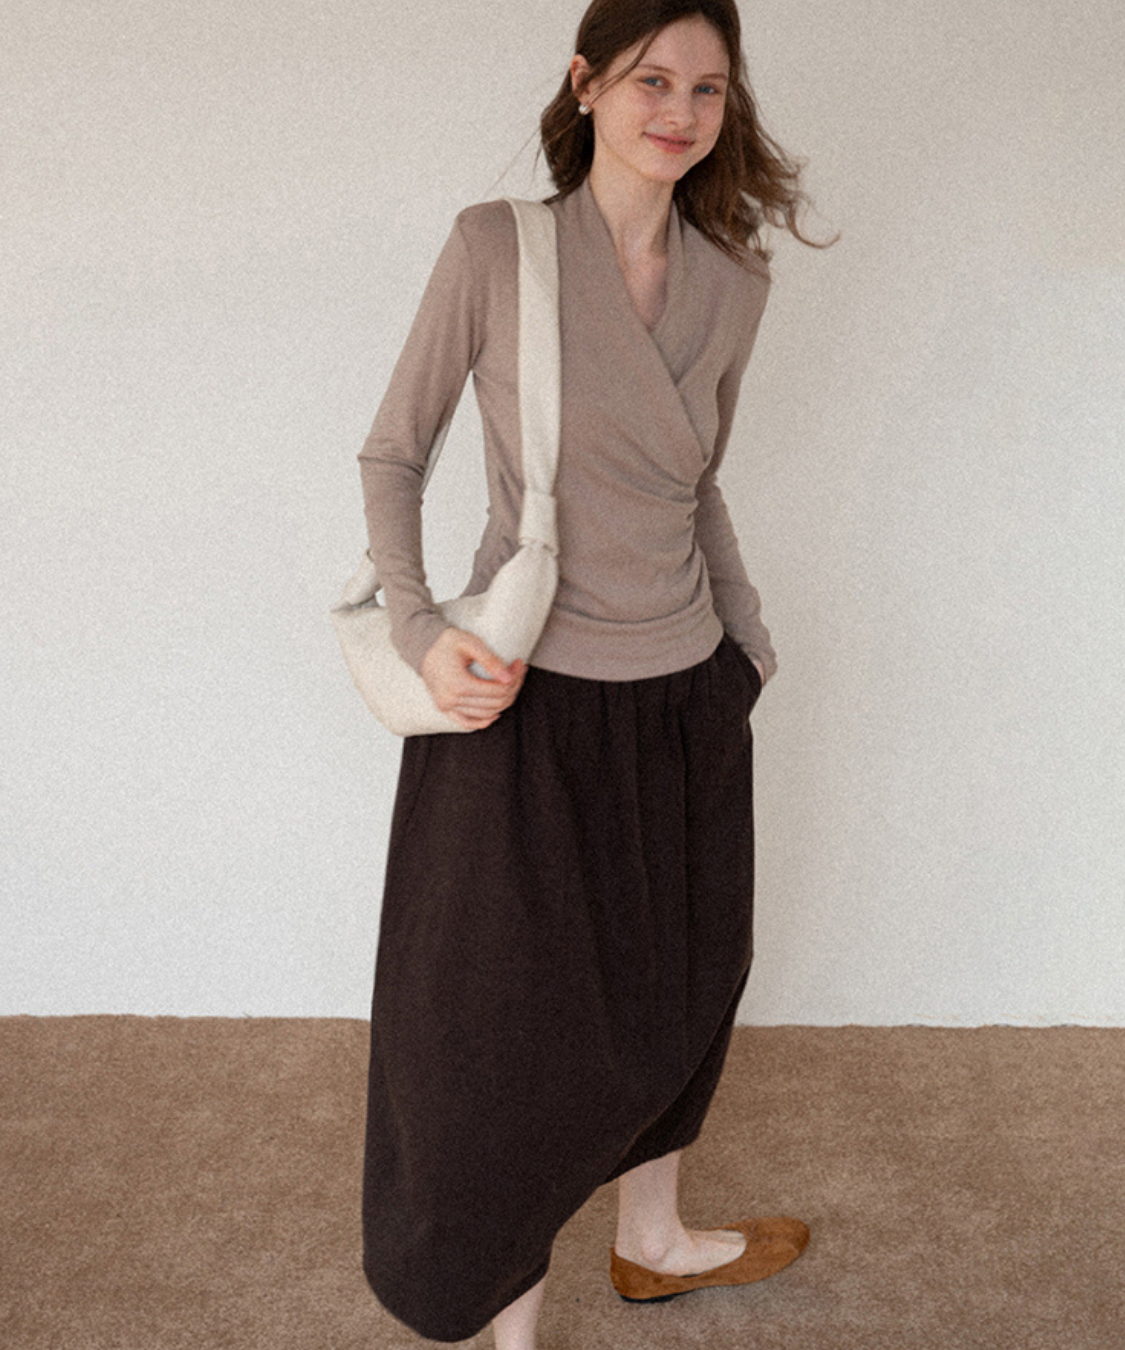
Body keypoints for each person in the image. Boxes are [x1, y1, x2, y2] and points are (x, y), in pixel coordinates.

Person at [355, 2, 829, 1345]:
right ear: (586, 85)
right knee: (506, 1040)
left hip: (688, 690)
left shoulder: (735, 284)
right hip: (524, 696)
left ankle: (653, 1237)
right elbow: (393, 454)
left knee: (686, 985)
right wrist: (416, 628)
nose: (679, 111)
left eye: (708, 89)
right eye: (649, 79)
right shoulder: (498, 248)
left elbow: (694, 482)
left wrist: (747, 642)